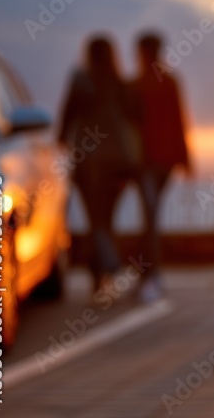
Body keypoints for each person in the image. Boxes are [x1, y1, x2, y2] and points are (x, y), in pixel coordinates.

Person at [58, 35, 141, 293]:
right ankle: (103, 274)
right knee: (105, 220)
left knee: (96, 221)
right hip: (118, 161)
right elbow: (134, 120)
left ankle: (109, 269)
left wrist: (61, 142)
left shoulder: (82, 81)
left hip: (89, 163)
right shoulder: (119, 83)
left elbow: (67, 115)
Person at [129, 31, 192, 301]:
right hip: (156, 161)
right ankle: (149, 274)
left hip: (149, 161)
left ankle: (150, 275)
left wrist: (185, 158)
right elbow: (180, 121)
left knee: (150, 216)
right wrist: (185, 158)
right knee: (151, 216)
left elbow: (178, 120)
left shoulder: (139, 85)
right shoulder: (167, 82)